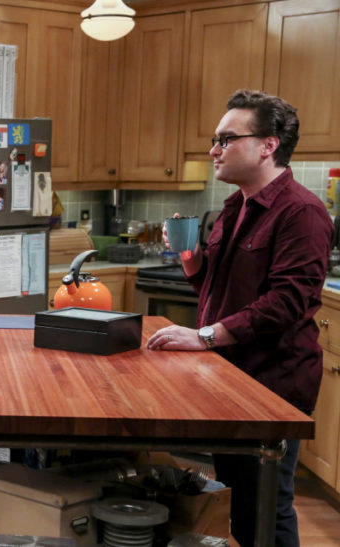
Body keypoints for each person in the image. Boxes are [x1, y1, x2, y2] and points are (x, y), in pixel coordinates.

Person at [147, 89, 333, 546]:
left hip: (272, 384)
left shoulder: (303, 213)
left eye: (226, 139)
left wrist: (204, 336)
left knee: (266, 507)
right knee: (242, 503)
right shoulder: (236, 205)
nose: (215, 150)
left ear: (268, 145)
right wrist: (192, 261)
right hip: (230, 380)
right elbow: (222, 289)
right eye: (216, 140)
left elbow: (286, 302)